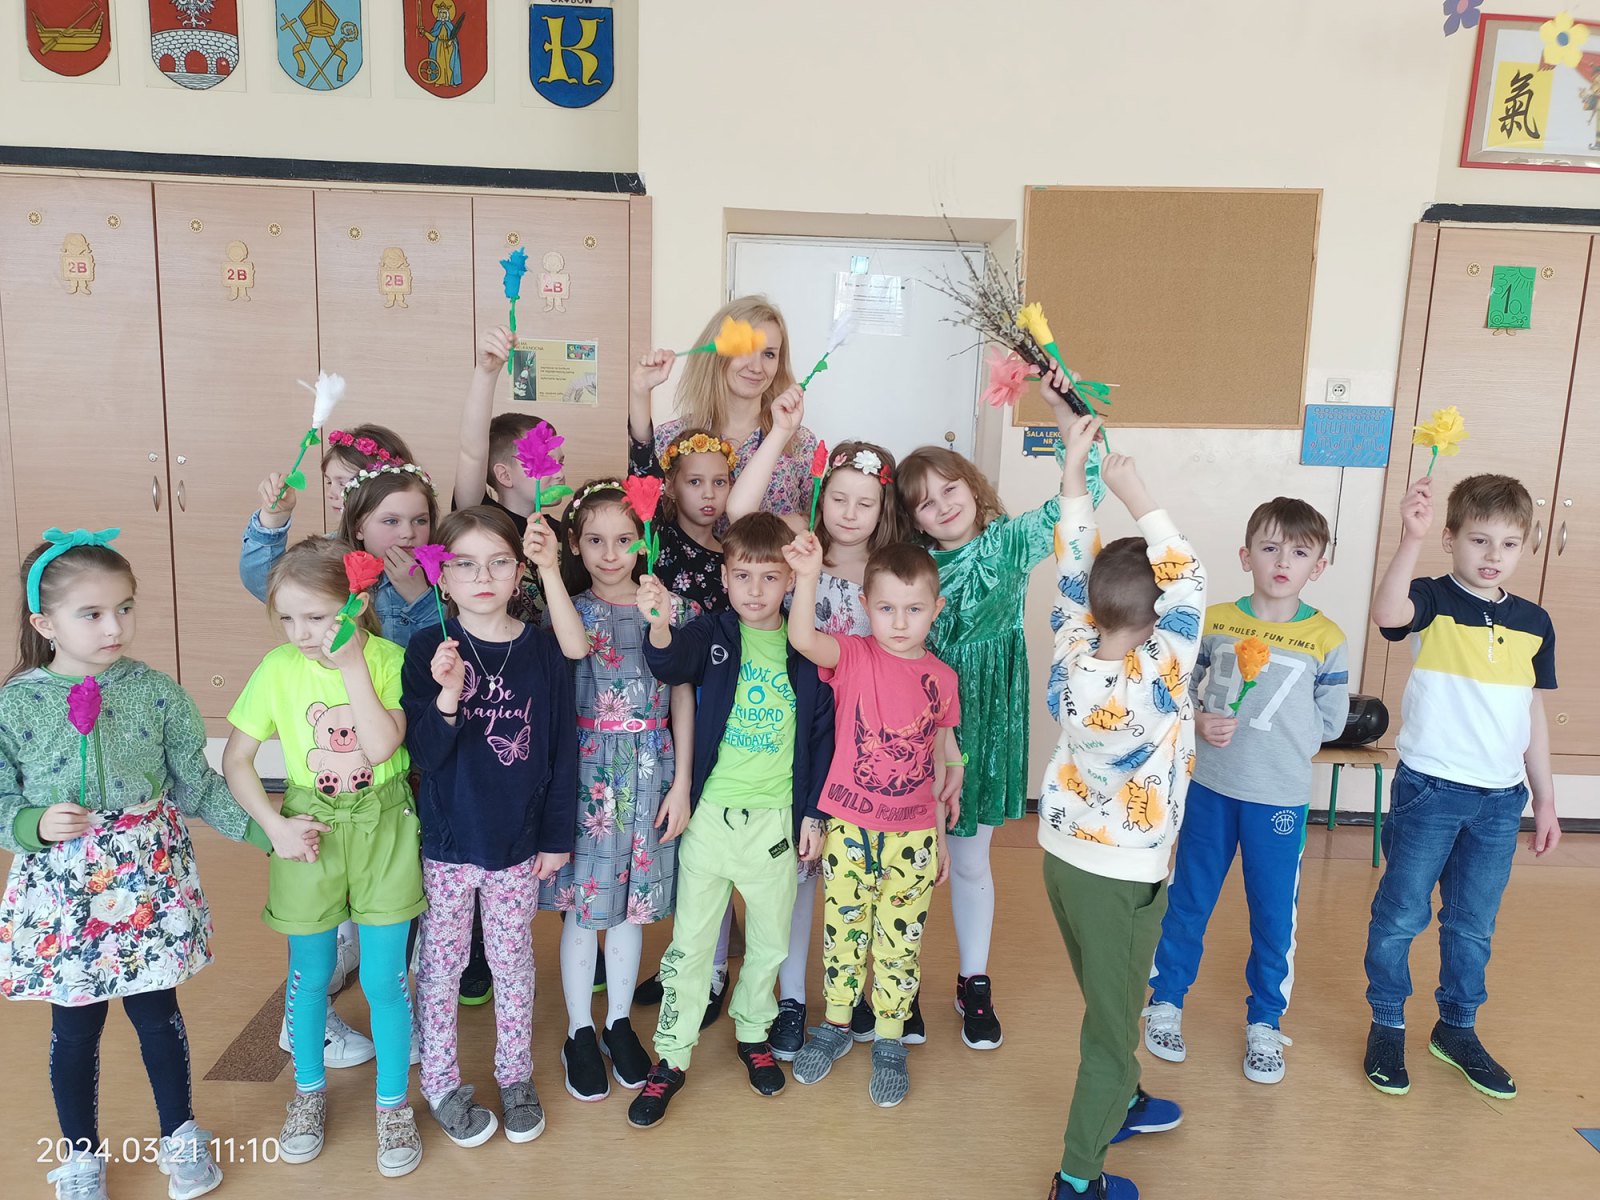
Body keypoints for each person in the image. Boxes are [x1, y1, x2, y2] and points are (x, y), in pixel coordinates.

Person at [1, 529, 301, 1200]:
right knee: (74, 1026)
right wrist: (31, 824)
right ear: (45, 624)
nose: (115, 626)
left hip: (145, 877)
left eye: (125, 607)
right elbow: (1, 798)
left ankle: (181, 1134)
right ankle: (81, 1156)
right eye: (92, 613)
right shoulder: (14, 703)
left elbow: (196, 784)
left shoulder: (158, 693)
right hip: (63, 888)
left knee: (156, 1012)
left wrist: (269, 832)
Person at [1036, 405, 1206, 1200]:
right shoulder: (1162, 670)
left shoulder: (1073, 646)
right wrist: (1135, 491)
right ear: (1159, 619)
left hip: (1062, 862)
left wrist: (1076, 472)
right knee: (1111, 1028)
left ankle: (1126, 1101)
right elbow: (1190, 576)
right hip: (1121, 875)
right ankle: (1079, 1178)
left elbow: (1074, 565)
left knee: (1106, 994)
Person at [222, 538, 427, 1179]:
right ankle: (307, 1093)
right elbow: (236, 760)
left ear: (356, 605)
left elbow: (381, 745)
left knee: (385, 979)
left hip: (383, 826)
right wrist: (274, 827)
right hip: (307, 828)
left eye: (315, 616)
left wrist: (353, 664)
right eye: (287, 618)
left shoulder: (391, 659)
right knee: (309, 975)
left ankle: (393, 1106)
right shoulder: (278, 667)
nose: (300, 633)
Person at [624, 514, 836, 1129]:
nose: (755, 589)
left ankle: (753, 1034)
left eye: (770, 577)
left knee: (769, 944)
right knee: (690, 946)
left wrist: (814, 814)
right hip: (711, 821)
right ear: (724, 577)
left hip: (774, 826)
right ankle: (671, 1056)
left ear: (790, 581)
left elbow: (821, 739)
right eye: (742, 575)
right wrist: (659, 623)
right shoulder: (712, 632)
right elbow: (671, 664)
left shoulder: (806, 650)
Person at [895, 372, 1081, 1049]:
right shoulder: (910, 569)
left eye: (949, 489)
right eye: (924, 503)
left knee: (972, 862)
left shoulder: (1008, 543)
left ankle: (974, 979)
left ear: (973, 488)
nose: (941, 506)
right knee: (913, 864)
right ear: (912, 519)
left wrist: (1060, 409)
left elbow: (1079, 494)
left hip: (989, 726)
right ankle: (899, 982)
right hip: (919, 728)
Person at [1361, 473, 1559, 1100]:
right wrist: (1409, 538)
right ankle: (1388, 1022)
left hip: (1501, 801)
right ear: (1451, 539)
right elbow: (1387, 614)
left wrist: (1546, 799)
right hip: (1431, 791)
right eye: (1479, 540)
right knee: (1401, 915)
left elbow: (1531, 711)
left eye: (1509, 543)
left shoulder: (1535, 621)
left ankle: (1456, 1028)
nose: (1493, 555)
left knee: (1473, 924)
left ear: (1524, 547)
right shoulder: (1432, 598)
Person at [1144, 498, 1349, 1084]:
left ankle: (1265, 1021)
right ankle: (1165, 1001)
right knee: (1189, 898)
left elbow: (1331, 721)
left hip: (1280, 799)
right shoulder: (1214, 621)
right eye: (1270, 547)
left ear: (1319, 566)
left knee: (1273, 917)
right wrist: (1199, 721)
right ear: (1245, 556)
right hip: (1211, 789)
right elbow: (1175, 691)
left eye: (1300, 552)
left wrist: (1281, 737)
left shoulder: (1327, 637)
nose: (1283, 561)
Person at [402, 507, 577, 1148]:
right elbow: (422, 753)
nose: (483, 577)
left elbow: (560, 748)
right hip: (448, 843)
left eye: (498, 562)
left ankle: (515, 1075)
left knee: (512, 963)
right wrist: (448, 695)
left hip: (517, 843)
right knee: (442, 966)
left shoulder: (543, 650)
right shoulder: (427, 647)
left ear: (519, 570)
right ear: (442, 576)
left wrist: (555, 837)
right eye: (465, 565)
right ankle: (440, 1082)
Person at [531, 481, 696, 1101]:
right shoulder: (565, 608)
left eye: (624, 540)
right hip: (586, 773)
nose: (609, 553)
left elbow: (682, 694)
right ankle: (579, 1029)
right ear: (575, 544)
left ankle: (619, 1021)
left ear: (643, 541)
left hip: (651, 768)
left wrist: (682, 782)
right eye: (595, 540)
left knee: (631, 906)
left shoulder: (672, 608)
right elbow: (562, 671)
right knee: (583, 905)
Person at [781, 533, 960, 1106]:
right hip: (849, 829)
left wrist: (940, 835)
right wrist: (808, 575)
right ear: (865, 606)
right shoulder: (854, 655)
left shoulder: (943, 678)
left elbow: (938, 756)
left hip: (914, 834)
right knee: (844, 929)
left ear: (936, 608)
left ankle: (889, 1036)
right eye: (886, 608)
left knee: (899, 939)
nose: (899, 622)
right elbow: (802, 638)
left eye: (914, 609)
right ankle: (836, 1023)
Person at [629, 296, 818, 521]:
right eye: (744, 350)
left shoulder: (799, 443)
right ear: (717, 353)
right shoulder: (672, 437)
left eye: (769, 354)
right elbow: (644, 503)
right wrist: (639, 392)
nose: (756, 367)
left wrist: (781, 529)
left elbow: (816, 521)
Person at [242, 424, 413, 602]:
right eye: (329, 482)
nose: (331, 493)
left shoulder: (418, 549)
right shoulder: (327, 554)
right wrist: (273, 518)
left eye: (343, 483)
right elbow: (267, 587)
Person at [627, 424, 738, 614]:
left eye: (719, 482)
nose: (709, 494)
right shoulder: (659, 535)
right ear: (670, 487)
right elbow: (642, 453)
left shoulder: (735, 557)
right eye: (695, 482)